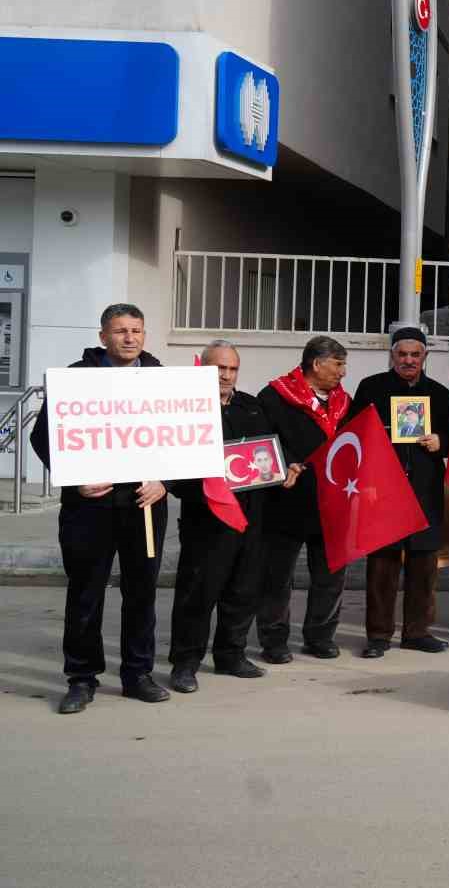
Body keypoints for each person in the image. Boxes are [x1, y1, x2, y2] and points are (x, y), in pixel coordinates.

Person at [29, 304, 172, 713]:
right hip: (87, 507)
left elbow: (184, 441)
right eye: (120, 330)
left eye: (137, 330)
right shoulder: (76, 379)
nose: (129, 337)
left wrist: (165, 481)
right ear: (103, 336)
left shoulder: (163, 380)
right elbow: (45, 439)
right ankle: (81, 678)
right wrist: (75, 478)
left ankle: (137, 675)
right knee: (85, 594)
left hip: (143, 505)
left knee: (141, 592)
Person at [167, 341, 295, 694]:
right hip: (205, 518)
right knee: (198, 593)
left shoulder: (252, 407)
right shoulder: (187, 410)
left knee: (243, 589)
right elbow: (172, 464)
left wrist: (285, 468)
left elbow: (272, 452)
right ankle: (185, 662)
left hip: (252, 517)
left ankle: (231, 654)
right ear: (203, 368)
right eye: (218, 368)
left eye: (231, 368)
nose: (225, 375)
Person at [350, 326, 449, 658]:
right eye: (402, 354)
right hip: (383, 489)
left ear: (425, 356)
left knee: (424, 564)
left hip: (424, 488)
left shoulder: (439, 393)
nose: (408, 360)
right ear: (392, 355)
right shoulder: (371, 388)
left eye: (415, 354)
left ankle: (417, 632)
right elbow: (352, 433)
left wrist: (441, 441)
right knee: (382, 565)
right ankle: (378, 635)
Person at [256, 335, 352, 662]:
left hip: (332, 503)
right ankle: (274, 640)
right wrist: (284, 464)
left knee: (330, 577)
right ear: (316, 363)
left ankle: (320, 636)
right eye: (338, 364)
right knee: (277, 578)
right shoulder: (273, 397)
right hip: (286, 502)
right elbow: (261, 444)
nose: (343, 372)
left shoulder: (343, 402)